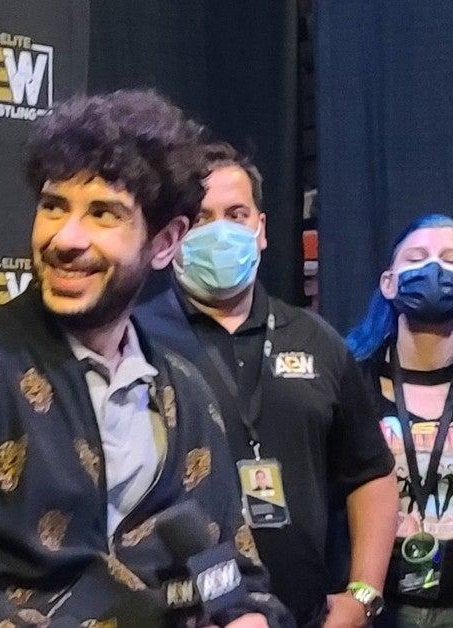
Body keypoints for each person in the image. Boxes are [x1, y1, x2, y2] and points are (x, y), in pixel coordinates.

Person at [0, 90, 291, 627]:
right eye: (53, 207)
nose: (66, 238)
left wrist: (245, 616)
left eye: (103, 214)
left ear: (165, 243)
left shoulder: (185, 394)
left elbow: (230, 574)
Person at [135, 143, 396, 627]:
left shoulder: (317, 339)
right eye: (200, 218)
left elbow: (371, 473)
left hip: (308, 615)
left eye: (236, 214)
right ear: (170, 236)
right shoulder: (135, 339)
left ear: (261, 229)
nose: (220, 231)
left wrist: (363, 594)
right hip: (179, 616)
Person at [346, 213, 453, 627]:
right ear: (389, 283)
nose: (434, 269)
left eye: (449, 259)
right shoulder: (350, 381)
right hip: (376, 606)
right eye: (417, 257)